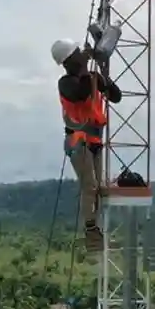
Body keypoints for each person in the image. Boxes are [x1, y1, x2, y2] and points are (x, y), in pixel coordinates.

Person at [51, 38, 122, 252]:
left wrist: (101, 76)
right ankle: (91, 233)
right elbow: (80, 92)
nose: (82, 56)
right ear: (70, 60)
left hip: (94, 140)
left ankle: (98, 232)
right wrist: (89, 70)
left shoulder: (90, 77)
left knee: (99, 188)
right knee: (89, 185)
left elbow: (115, 96)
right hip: (78, 140)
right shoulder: (66, 83)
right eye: (78, 54)